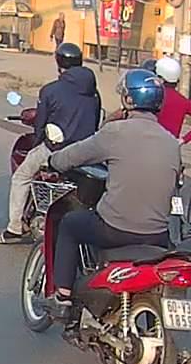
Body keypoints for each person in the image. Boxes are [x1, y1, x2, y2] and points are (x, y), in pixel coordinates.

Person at [45, 69, 181, 318]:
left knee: (70, 224)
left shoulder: (115, 132)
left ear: (128, 99)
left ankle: (63, 297)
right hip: (157, 236)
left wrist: (53, 161)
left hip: (114, 229)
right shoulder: (172, 142)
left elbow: (71, 156)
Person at [0, 42, 101, 243]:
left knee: (21, 176)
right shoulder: (93, 92)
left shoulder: (50, 91)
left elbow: (40, 124)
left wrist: (37, 144)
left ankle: (15, 228)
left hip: (57, 149)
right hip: (87, 150)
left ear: (58, 62)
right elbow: (95, 120)